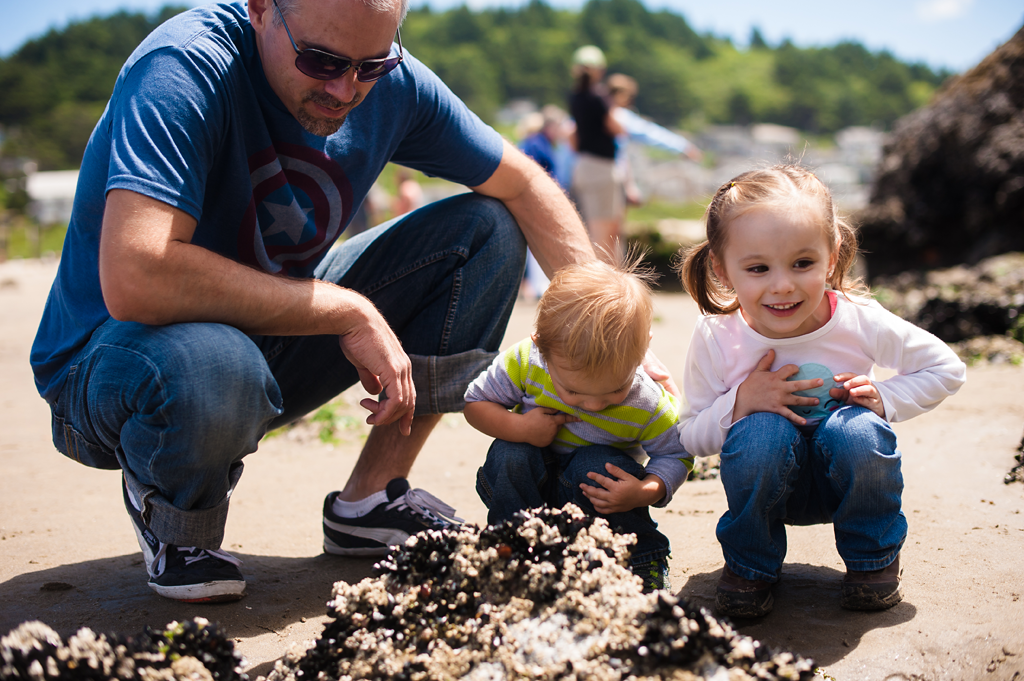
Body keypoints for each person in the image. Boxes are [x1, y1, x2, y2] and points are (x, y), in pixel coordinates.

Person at [29, 0, 596, 603]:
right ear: (260, 11)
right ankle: (177, 521)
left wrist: (602, 324)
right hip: (117, 360)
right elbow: (138, 275)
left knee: (485, 229)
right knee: (215, 359)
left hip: (262, 342)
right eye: (321, 60)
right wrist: (346, 310)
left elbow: (526, 183)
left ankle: (371, 500)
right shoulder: (185, 65)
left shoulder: (389, 83)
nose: (345, 89)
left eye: (371, 64)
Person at [675, 164, 966, 617]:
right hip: (767, 487)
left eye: (803, 263)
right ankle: (750, 567)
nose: (783, 285)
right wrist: (741, 402)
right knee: (761, 434)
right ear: (722, 268)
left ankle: (872, 561)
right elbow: (690, 435)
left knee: (858, 430)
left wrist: (884, 398)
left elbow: (945, 367)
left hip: (847, 481)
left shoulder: (857, 318)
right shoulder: (718, 335)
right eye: (757, 268)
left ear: (832, 254)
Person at [465, 256, 693, 592]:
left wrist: (644, 492)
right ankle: (511, 547)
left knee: (599, 464)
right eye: (573, 391)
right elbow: (475, 403)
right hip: (528, 487)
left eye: (616, 389)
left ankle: (643, 556)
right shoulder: (527, 363)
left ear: (643, 349)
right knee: (511, 451)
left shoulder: (648, 402)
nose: (595, 405)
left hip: (599, 499)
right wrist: (522, 428)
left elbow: (676, 454)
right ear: (541, 346)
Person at [567, 45, 625, 260]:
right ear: (598, 70)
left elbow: (572, 138)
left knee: (594, 228)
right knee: (603, 233)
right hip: (600, 168)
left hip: (583, 165)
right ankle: (602, 286)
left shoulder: (574, 97)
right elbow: (616, 128)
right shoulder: (598, 97)